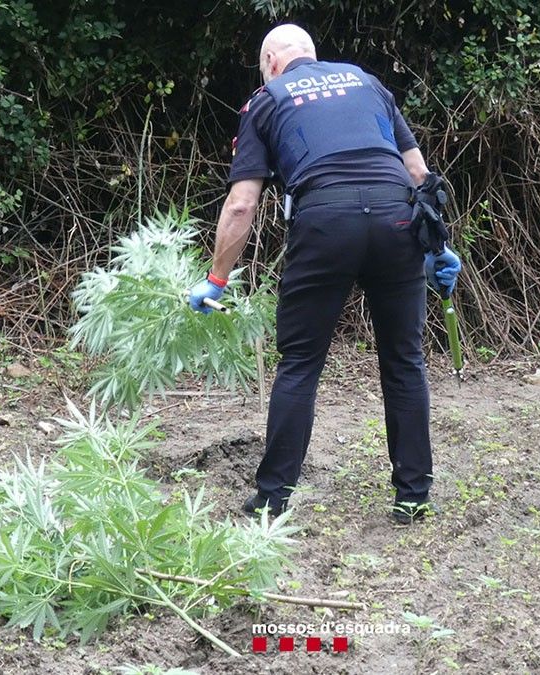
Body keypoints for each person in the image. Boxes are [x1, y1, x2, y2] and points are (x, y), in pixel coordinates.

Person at [187, 24, 461, 524]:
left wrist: (218, 278)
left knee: (301, 364)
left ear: (270, 61)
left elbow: (243, 203)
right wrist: (438, 248)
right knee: (404, 360)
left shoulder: (266, 99)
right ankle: (413, 495)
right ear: (313, 55)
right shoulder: (367, 82)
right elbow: (419, 176)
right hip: (397, 217)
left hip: (325, 222)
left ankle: (272, 499)